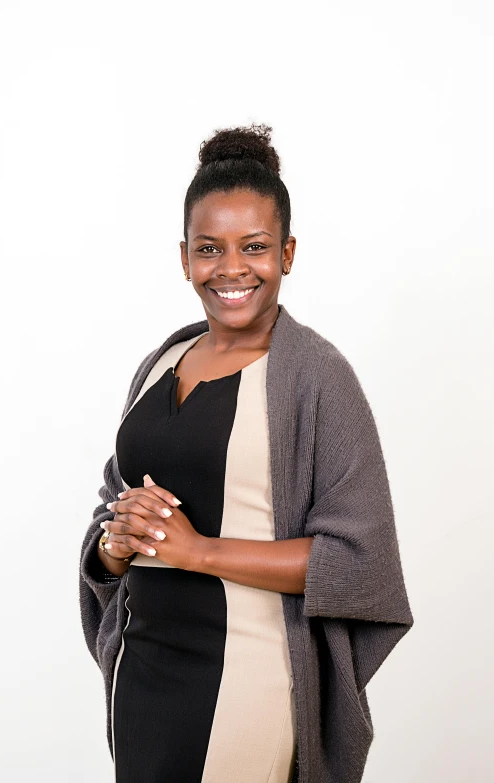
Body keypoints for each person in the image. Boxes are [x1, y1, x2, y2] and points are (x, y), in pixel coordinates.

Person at [79, 123, 414, 783]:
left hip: (245, 685)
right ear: (184, 257)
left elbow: (360, 561)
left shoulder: (315, 377)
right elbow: (114, 503)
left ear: (287, 253)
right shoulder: (162, 360)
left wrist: (196, 550)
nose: (231, 268)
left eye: (254, 247)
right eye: (210, 248)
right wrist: (114, 545)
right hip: (143, 678)